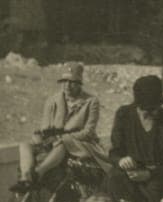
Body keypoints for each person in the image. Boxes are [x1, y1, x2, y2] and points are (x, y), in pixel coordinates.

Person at [12, 62, 110, 193]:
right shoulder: (52, 100)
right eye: (64, 81)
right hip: (54, 140)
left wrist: (64, 137)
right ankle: (26, 177)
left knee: (63, 143)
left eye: (72, 82)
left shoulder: (91, 101)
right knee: (24, 145)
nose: (67, 86)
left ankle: (38, 173)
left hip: (80, 144)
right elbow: (45, 127)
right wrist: (40, 136)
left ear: (79, 83)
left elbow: (88, 132)